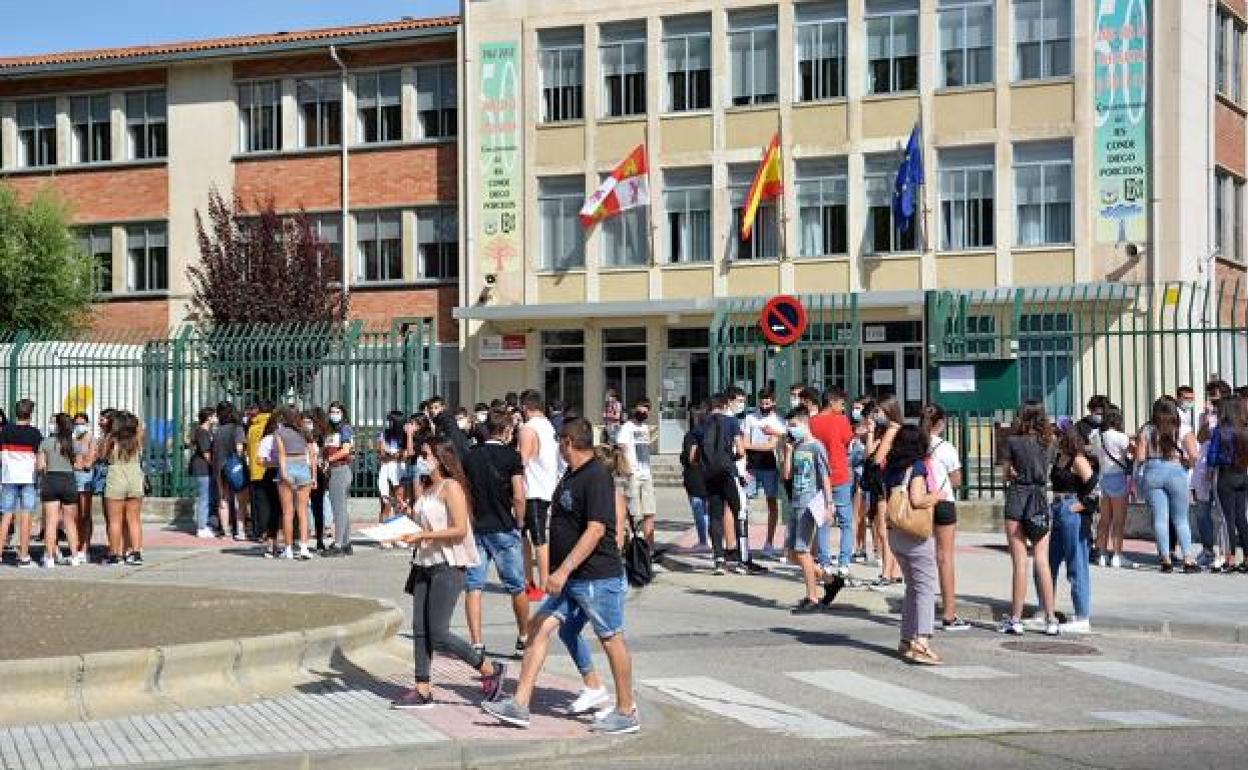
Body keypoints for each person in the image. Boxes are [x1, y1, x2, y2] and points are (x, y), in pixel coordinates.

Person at [482, 418, 639, 735]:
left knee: (611, 639)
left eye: (559, 441)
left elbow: (596, 530)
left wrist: (563, 569)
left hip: (596, 577)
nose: (556, 447)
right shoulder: (572, 473)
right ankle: (520, 705)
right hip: (570, 580)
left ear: (568, 442)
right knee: (537, 628)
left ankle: (626, 711)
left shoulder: (595, 476)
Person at [392, 436, 508, 709]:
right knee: (420, 629)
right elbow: (425, 524)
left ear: (439, 457)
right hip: (423, 563)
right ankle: (422, 688)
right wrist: (405, 520)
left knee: (439, 633)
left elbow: (460, 529)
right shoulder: (428, 488)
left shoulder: (451, 486)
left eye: (425, 453)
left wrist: (425, 534)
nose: (420, 458)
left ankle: (489, 668)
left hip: (448, 563)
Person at [462, 408, 532, 657]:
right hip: (503, 526)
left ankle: (477, 643)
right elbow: (519, 495)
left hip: (478, 528)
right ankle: (524, 637)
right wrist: (520, 522)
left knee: (474, 586)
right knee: (516, 587)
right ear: (504, 430)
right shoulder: (511, 457)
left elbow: (466, 493)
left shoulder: (471, 457)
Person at [883, 425, 943, 664]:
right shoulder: (916, 467)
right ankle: (922, 641)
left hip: (896, 533)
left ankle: (906, 639)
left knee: (912, 587)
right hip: (915, 534)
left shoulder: (892, 467)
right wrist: (935, 498)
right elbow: (917, 500)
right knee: (926, 587)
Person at [998, 402, 1059, 636]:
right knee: (1042, 561)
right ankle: (1051, 618)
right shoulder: (1049, 443)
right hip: (1040, 500)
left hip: (1018, 498)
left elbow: (1006, 474)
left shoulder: (1012, 442)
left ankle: (1015, 618)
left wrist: (1014, 471)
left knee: (1019, 562)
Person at [780, 406, 839, 613]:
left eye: (794, 425)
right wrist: (787, 452)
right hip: (795, 501)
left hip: (809, 503)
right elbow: (786, 475)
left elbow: (825, 477)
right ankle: (829, 579)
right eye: (789, 426)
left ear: (805, 424)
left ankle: (812, 597)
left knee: (803, 551)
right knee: (792, 554)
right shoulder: (796, 447)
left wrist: (829, 504)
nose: (791, 430)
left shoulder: (816, 447)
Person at [1136, 397, 1200, 573]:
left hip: (1152, 471)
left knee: (1159, 519)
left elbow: (1140, 457)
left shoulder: (1146, 429)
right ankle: (1188, 559)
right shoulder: (1183, 429)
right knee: (1181, 519)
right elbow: (1195, 455)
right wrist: (1187, 464)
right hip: (1176, 470)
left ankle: (1165, 559)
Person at [920, 404, 969, 631]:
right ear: (940, 423)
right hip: (943, 502)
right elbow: (957, 480)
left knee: (922, 558)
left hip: (920, 503)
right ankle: (949, 613)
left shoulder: (915, 444)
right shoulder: (946, 447)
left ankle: (922, 610)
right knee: (945, 558)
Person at [1047, 422, 1098, 634]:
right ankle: (1046, 610)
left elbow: (1094, 486)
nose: (1052, 438)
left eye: (1056, 435)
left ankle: (1082, 615)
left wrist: (1082, 505)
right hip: (1057, 508)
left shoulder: (1078, 459)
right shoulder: (1060, 458)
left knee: (1076, 565)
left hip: (1070, 510)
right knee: (1048, 562)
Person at [808, 389, 855, 578]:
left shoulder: (813, 422)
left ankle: (824, 561)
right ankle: (843, 563)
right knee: (846, 523)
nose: (843, 407)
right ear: (833, 402)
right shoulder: (841, 420)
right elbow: (848, 441)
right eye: (841, 403)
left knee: (823, 522)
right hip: (840, 474)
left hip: (819, 477)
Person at [697, 393, 745, 575]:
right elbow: (740, 449)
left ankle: (718, 560)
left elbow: (694, 454)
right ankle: (740, 558)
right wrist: (732, 458)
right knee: (737, 511)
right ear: (725, 405)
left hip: (710, 474)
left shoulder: (702, 423)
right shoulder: (731, 422)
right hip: (727, 472)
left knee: (715, 515)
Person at [519, 391, 559, 601]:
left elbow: (522, 461)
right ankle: (529, 580)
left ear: (525, 408)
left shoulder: (529, 428)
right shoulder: (549, 426)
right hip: (547, 487)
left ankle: (542, 583)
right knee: (526, 536)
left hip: (532, 490)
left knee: (537, 539)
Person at [863, 396, 904, 585]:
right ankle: (893, 571)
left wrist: (880, 446)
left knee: (884, 529)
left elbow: (877, 458)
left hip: (886, 482)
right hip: (885, 481)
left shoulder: (892, 430)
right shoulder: (886, 430)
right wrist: (871, 433)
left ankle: (887, 573)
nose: (876, 415)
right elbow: (867, 454)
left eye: (879, 411)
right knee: (886, 527)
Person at [1207, 396, 1248, 573]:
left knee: (1227, 519)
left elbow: (1212, 456)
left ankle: (1230, 558)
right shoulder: (1245, 430)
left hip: (1225, 475)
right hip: (1243, 474)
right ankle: (1246, 558)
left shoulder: (1220, 431)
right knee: (1242, 518)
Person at [38, 413, 83, 567]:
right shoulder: (75, 444)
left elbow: (40, 466)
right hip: (68, 480)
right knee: (70, 522)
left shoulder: (46, 443)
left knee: (51, 522)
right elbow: (79, 466)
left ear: (56, 426)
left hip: (51, 480)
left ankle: (50, 558)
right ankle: (75, 556)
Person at [742, 389, 784, 559]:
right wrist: (758, 446)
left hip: (770, 467)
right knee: (744, 504)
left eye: (768, 402)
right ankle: (744, 543)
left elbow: (772, 446)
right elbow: (744, 443)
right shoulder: (750, 418)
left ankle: (769, 543)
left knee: (772, 503)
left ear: (773, 402)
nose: (764, 405)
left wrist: (753, 445)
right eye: (762, 402)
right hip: (751, 466)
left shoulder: (778, 420)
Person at [0, 399, 41, 568]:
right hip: (28, 478)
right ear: (30, 413)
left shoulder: (5, 431)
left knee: (6, 516)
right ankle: (24, 556)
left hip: (9, 477)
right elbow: (39, 457)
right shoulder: (35, 433)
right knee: (26, 517)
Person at [101, 411, 146, 566]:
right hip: (134, 478)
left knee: (115, 521)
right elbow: (140, 427)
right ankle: (136, 552)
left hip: (116, 478)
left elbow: (102, 456)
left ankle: (115, 554)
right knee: (134, 519)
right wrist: (131, 421)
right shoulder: (137, 440)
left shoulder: (111, 440)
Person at [1093, 405, 1133, 569]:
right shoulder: (1121, 437)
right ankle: (1117, 555)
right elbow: (1130, 454)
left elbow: (1095, 455)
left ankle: (1101, 554)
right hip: (1117, 477)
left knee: (1104, 520)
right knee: (1118, 520)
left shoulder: (1097, 436)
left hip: (1102, 478)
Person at [615, 398, 657, 550]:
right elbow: (621, 448)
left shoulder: (645, 428)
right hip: (633, 474)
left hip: (646, 472)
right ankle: (631, 545)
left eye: (647, 409)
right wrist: (626, 469)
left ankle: (649, 547)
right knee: (633, 512)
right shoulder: (627, 427)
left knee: (649, 511)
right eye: (642, 408)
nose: (644, 411)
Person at [273, 406, 314, 561]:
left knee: (287, 512)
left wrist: (284, 474)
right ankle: (304, 548)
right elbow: (312, 453)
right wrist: (313, 475)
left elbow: (281, 454)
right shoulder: (305, 431)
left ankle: (288, 549)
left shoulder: (279, 432)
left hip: (287, 467)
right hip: (303, 467)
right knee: (303, 511)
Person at [321, 402, 354, 557]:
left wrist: (329, 460)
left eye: (337, 411)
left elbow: (346, 449)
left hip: (340, 469)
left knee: (338, 509)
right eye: (332, 411)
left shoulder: (344, 428)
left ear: (343, 413)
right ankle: (346, 543)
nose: (334, 414)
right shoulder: (330, 431)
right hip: (335, 470)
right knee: (341, 508)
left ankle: (339, 544)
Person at [212, 402, 248, 540]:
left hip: (220, 468)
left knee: (223, 499)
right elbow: (239, 448)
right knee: (241, 500)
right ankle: (240, 530)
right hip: (235, 466)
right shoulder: (237, 428)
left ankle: (225, 531)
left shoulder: (218, 430)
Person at [376, 411, 410, 549]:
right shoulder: (383, 435)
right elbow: (381, 453)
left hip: (400, 470)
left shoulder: (405, 437)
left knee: (399, 504)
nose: (389, 424)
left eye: (391, 421)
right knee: (386, 504)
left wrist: (397, 455)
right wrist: (394, 455)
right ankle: (384, 537)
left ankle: (398, 536)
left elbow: (406, 454)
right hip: (386, 470)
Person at [680, 406, 710, 550]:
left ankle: (703, 540)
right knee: (708, 509)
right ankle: (710, 538)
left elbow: (691, 457)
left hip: (694, 475)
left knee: (698, 508)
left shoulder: (691, 436)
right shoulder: (711, 433)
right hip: (710, 474)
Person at [244, 401, 274, 541]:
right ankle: (269, 531)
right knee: (270, 502)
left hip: (255, 469)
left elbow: (249, 450)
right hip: (270, 467)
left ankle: (258, 531)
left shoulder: (252, 428)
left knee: (257, 503)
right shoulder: (272, 426)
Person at [71, 412, 97, 560]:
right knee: (74, 515)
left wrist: (80, 464)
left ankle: (85, 547)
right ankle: (76, 545)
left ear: (86, 424)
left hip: (85, 479)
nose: (79, 425)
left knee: (85, 514)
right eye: (77, 423)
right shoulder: (72, 438)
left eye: (82, 423)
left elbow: (89, 461)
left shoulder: (91, 438)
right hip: (72, 479)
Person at [189, 407, 216, 539]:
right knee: (204, 497)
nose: (215, 418)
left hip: (202, 467)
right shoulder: (203, 432)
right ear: (209, 417)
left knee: (205, 496)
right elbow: (206, 453)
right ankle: (201, 527)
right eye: (213, 416)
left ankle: (204, 523)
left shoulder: (203, 431)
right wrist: (214, 466)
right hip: (202, 468)